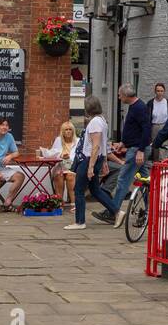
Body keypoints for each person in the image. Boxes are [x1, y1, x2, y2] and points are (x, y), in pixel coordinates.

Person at [95, 85, 151, 229]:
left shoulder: (140, 108)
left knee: (123, 180)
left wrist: (141, 150)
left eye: (120, 95)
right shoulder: (135, 107)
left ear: (126, 96)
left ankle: (112, 211)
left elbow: (146, 130)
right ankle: (151, 211)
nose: (119, 97)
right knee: (146, 181)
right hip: (134, 147)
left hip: (137, 150)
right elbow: (134, 129)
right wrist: (123, 143)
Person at [65, 95, 118, 231]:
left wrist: (91, 167)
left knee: (78, 190)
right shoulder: (102, 120)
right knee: (95, 189)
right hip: (97, 158)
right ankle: (117, 212)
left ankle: (80, 221)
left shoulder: (95, 122)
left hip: (89, 159)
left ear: (89, 108)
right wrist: (104, 161)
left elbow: (95, 146)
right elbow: (104, 143)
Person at [38, 121, 78, 208]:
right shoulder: (58, 140)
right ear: (62, 131)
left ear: (73, 131)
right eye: (66, 130)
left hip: (73, 167)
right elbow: (53, 154)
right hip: (59, 166)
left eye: (70, 129)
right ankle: (60, 203)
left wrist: (68, 158)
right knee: (59, 176)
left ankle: (74, 203)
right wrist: (60, 155)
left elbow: (79, 157)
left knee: (70, 177)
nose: (68, 131)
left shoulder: (78, 141)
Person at [149, 83, 168, 151]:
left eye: (161, 91)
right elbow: (148, 116)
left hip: (165, 126)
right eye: (158, 91)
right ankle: (156, 160)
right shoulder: (150, 103)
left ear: (164, 91)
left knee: (164, 147)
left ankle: (163, 161)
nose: (160, 93)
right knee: (155, 147)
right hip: (154, 126)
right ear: (155, 91)